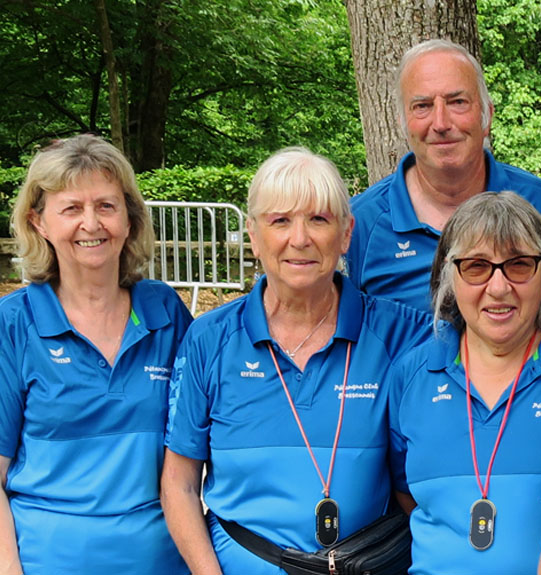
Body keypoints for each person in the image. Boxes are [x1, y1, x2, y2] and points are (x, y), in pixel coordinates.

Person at [161, 148, 433, 575]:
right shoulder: (210, 339)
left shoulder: (402, 334)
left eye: (319, 220)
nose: (300, 238)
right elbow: (178, 484)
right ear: (253, 234)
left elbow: (491, 341)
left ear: (346, 234)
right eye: (280, 221)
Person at [0, 134, 192, 573]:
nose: (91, 223)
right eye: (72, 208)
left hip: (161, 562)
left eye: (106, 205)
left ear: (129, 218)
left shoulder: (166, 312)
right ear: (39, 222)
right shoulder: (15, 319)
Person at [385, 192, 541, 574]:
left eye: (519, 265)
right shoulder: (413, 374)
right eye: (476, 267)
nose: (499, 286)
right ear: (448, 275)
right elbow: (406, 492)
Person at [347, 39, 541, 317]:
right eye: (422, 106)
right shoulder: (360, 221)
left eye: (457, 102)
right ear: (402, 122)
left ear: (487, 115)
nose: (440, 123)